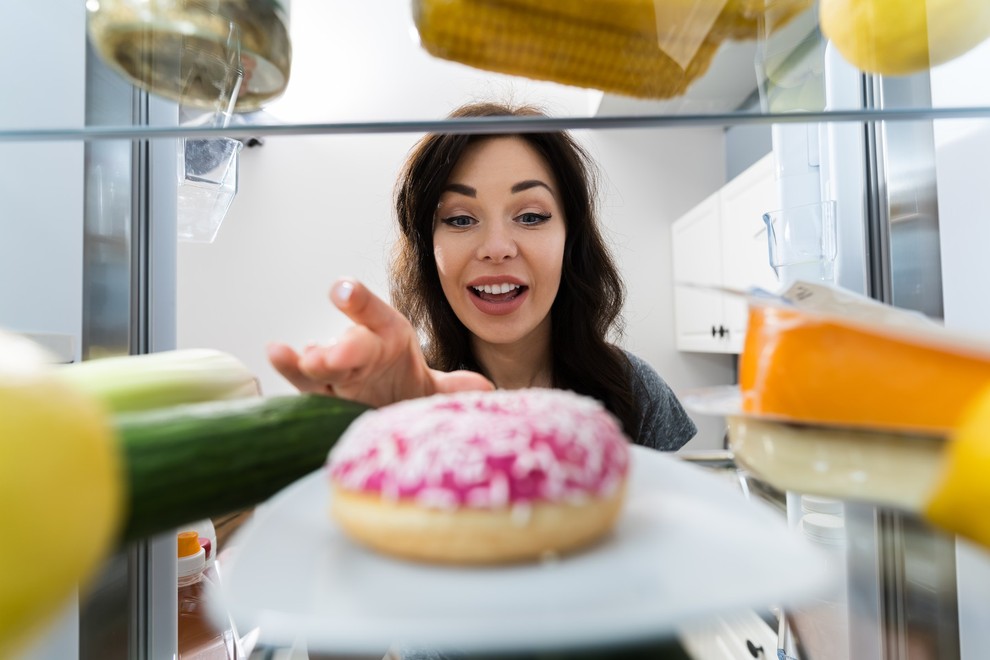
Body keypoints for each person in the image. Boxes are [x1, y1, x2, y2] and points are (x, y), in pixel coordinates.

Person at [267, 101, 696, 451]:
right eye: (459, 220)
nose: (496, 247)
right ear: (426, 248)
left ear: (571, 238)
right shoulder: (400, 396)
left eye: (530, 216)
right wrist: (355, 435)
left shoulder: (635, 391)